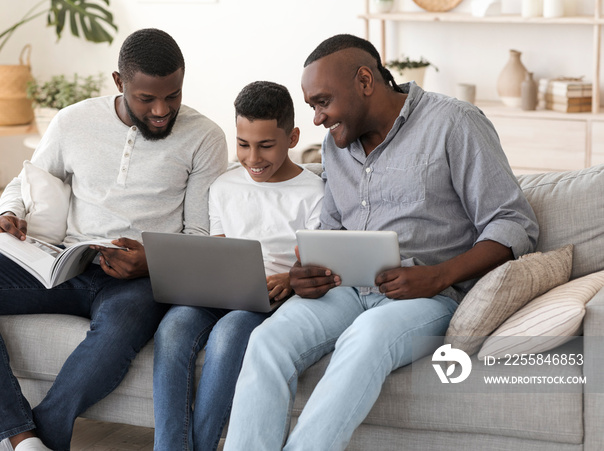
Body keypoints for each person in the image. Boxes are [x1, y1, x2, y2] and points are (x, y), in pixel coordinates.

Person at [224, 34, 539, 450]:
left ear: (365, 81)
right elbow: (331, 230)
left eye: (323, 102)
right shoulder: (335, 147)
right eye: (313, 106)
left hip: (428, 297)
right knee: (267, 340)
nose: (317, 118)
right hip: (347, 289)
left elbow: (514, 223)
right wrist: (307, 273)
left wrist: (436, 276)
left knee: (367, 336)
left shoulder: (454, 123)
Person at [0, 28, 227, 451]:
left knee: (118, 328)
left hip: (141, 279)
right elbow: (26, 180)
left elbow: (199, 235)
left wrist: (151, 262)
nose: (162, 110)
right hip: (66, 264)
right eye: (148, 99)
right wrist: (9, 212)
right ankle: (18, 433)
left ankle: (26, 442)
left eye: (173, 95)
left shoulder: (204, 137)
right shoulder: (73, 121)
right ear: (119, 83)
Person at [152, 81, 324, 451]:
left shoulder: (314, 193)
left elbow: (313, 263)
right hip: (221, 289)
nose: (253, 158)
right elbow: (218, 248)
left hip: (271, 296)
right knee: (173, 328)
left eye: (266, 145)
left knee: (230, 333)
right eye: (243, 144)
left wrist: (290, 279)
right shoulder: (224, 185)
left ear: (292, 137)